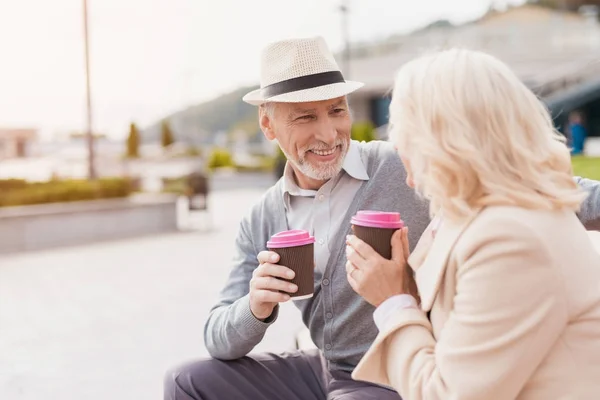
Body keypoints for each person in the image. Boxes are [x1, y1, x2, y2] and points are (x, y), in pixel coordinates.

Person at [163, 36, 431, 400]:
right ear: (268, 125)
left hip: (396, 372)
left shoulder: (401, 167)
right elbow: (217, 336)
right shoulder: (263, 216)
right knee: (185, 380)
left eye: (337, 110)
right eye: (306, 116)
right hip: (325, 371)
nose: (328, 134)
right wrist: (255, 305)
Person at [347, 48, 600, 400]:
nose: (406, 172)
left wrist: (393, 300)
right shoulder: (481, 212)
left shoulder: (510, 237)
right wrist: (406, 283)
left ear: (443, 143)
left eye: (405, 141)